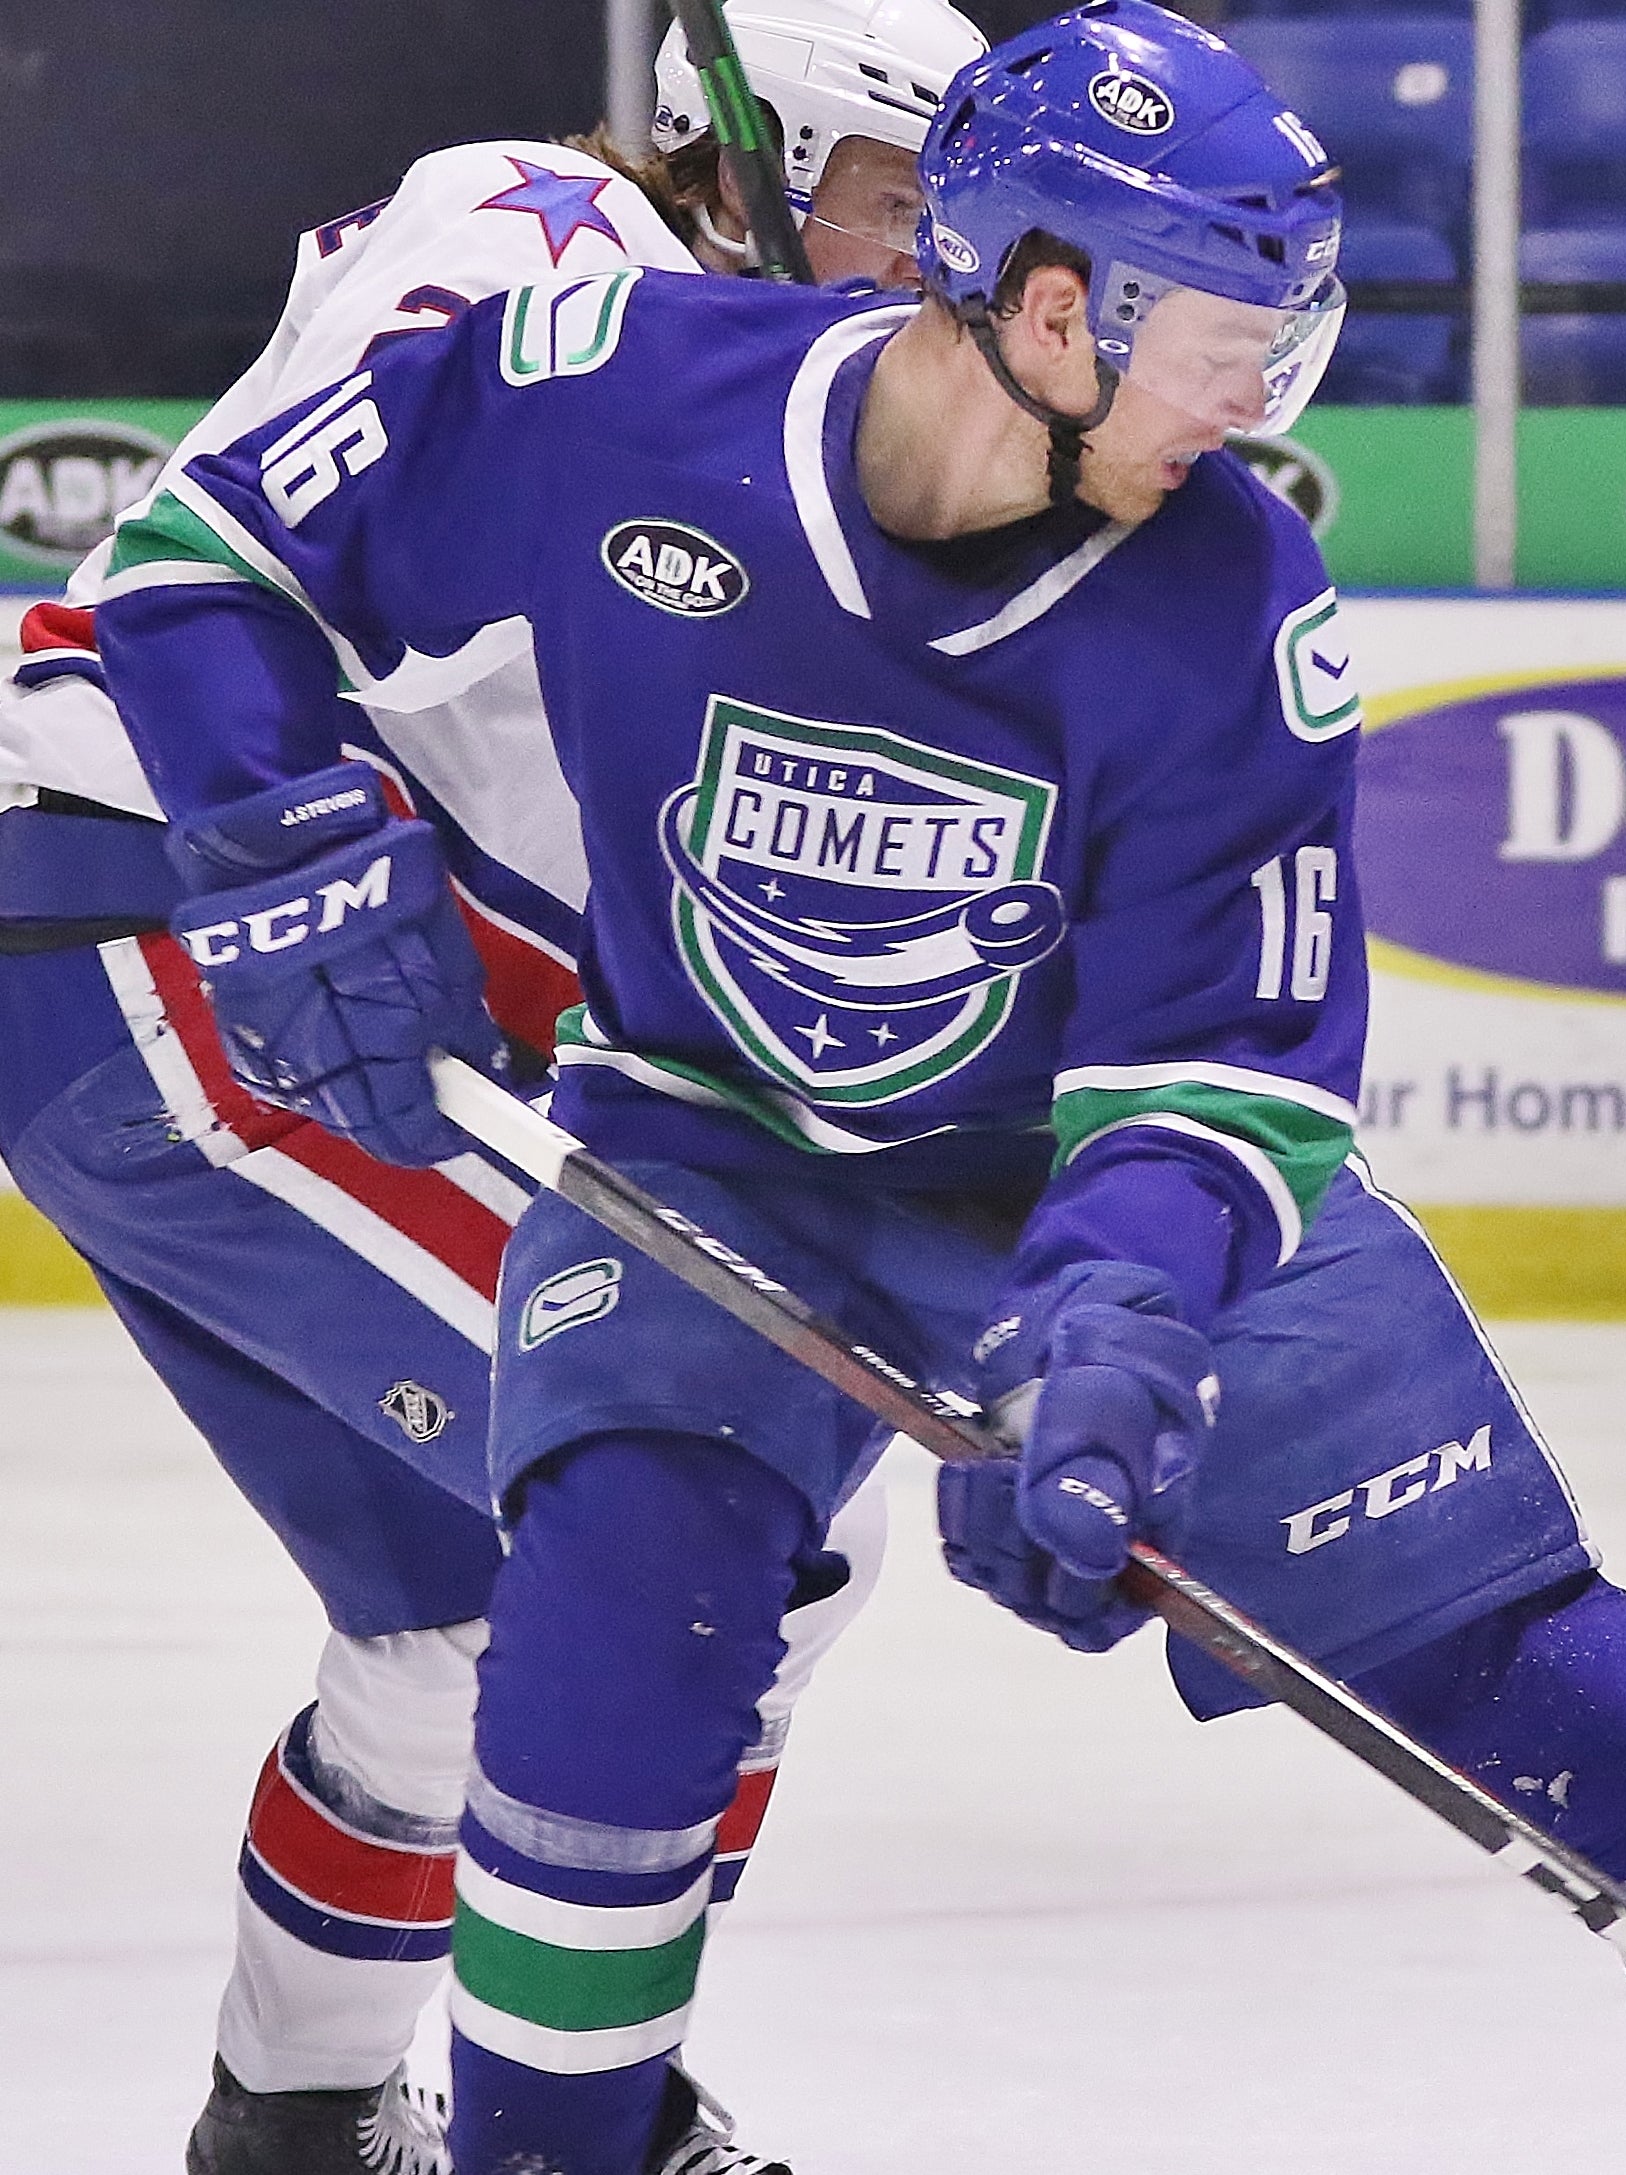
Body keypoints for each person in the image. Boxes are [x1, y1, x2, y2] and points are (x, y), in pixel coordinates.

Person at [87, 8, 1626, 2173]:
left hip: (1086, 1178)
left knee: (1540, 1689)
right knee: (598, 1672)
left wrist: (1114, 1324)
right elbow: (213, 557)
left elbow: (1218, 1073)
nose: (1258, 402)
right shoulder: (613, 387)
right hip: (708, 1144)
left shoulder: (1234, 611)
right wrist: (270, 828)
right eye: (1224, 336)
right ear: (1046, 300)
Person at [0, 7, 988, 2171]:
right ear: (739, 150)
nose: (940, 269)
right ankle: (587, 2090)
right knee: (727, 1508)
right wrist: (279, 826)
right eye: (899, 205)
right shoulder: (548, 231)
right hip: (165, 927)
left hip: (250, 1002)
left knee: (453, 1628)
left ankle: (305, 2114)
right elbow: (251, 552)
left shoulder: (820, 465)